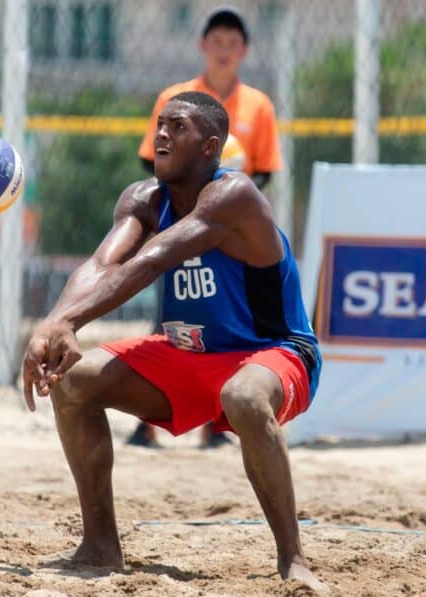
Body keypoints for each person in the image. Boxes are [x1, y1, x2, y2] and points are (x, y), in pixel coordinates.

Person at [22, 91, 324, 590]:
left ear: (209, 147)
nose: (161, 134)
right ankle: (100, 545)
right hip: (188, 353)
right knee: (73, 382)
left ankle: (294, 560)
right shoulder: (142, 199)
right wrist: (53, 326)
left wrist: (69, 321)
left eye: (176, 127)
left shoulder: (235, 195)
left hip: (273, 351)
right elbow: (102, 266)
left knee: (245, 396)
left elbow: (152, 260)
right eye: (159, 124)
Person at [130, 5, 283, 449]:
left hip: (233, 234)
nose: (224, 50)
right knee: (170, 322)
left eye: (233, 43)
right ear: (203, 46)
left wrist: (226, 204)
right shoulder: (175, 99)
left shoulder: (258, 105)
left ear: (244, 51)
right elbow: (150, 159)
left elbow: (265, 170)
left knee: (226, 324)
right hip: (182, 226)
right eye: (217, 42)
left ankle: (215, 426)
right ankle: (147, 424)